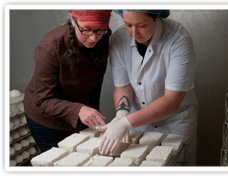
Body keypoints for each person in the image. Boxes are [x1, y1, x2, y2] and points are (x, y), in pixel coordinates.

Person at [97, 10, 198, 165]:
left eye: (142, 25)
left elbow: (172, 99)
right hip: (139, 122)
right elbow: (123, 86)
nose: (134, 32)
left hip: (175, 122)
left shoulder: (178, 39)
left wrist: (126, 123)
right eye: (128, 25)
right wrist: (121, 114)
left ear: (156, 17)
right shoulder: (118, 39)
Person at [24, 10, 112, 152]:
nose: (93, 38)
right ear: (72, 20)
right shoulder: (50, 47)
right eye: (86, 30)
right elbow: (44, 100)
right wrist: (78, 110)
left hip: (82, 115)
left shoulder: (105, 36)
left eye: (100, 30)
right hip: (47, 120)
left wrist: (92, 114)